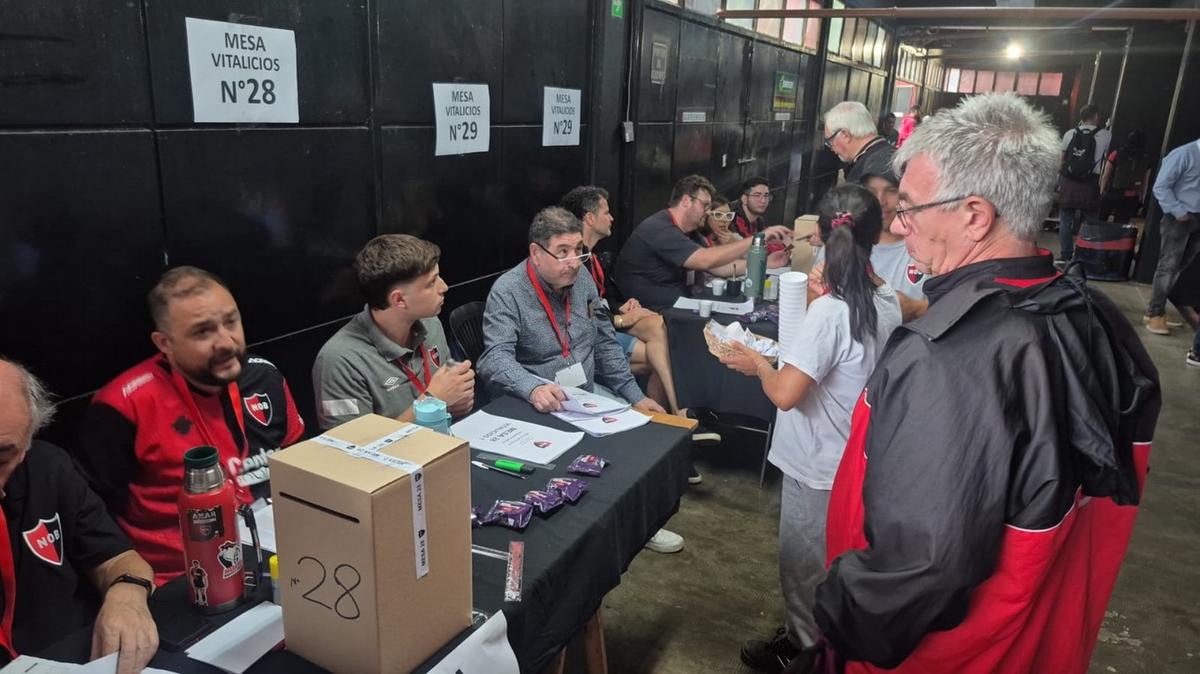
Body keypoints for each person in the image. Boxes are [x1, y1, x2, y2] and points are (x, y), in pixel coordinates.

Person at [808, 92, 1159, 673]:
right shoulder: (1094, 318)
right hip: (1039, 644)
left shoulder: (951, 358)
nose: (898, 224)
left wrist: (836, 624)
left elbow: (922, 567)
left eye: (911, 208)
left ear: (975, 214)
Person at [719, 185, 902, 673]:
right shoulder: (884, 298)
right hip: (855, 458)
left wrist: (757, 364)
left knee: (803, 567)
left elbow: (785, 394)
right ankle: (819, 640)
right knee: (835, 563)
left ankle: (805, 653)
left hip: (816, 464)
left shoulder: (831, 310)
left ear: (819, 235)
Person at [477, 207, 686, 553]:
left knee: (639, 445)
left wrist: (633, 395)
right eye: (562, 252)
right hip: (541, 402)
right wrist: (532, 387)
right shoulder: (509, 291)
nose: (573, 261)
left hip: (587, 394)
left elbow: (604, 342)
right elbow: (495, 357)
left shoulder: (582, 278)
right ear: (535, 253)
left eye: (579, 250)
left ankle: (641, 525)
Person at [81, 267, 304, 583]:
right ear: (164, 343)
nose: (225, 342)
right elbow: (91, 519)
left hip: (278, 552)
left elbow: (299, 462)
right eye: (203, 332)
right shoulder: (122, 405)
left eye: (231, 322)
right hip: (182, 577)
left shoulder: (265, 376)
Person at [0, 359, 158, 673]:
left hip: (77, 657)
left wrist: (127, 593)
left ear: (25, 446)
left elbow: (117, 559)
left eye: (2, 457)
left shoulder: (48, 469)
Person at [312, 234, 475, 430]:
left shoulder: (430, 324)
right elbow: (353, 452)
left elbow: (449, 402)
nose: (444, 287)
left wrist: (455, 401)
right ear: (399, 300)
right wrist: (432, 400)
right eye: (431, 283)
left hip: (444, 448)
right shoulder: (340, 360)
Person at [559, 186, 689, 422]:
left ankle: (668, 412)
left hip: (608, 322)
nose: (612, 218)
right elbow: (578, 315)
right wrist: (620, 319)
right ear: (589, 218)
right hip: (592, 337)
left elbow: (604, 298)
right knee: (662, 356)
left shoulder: (595, 256)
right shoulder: (573, 264)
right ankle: (672, 412)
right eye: (606, 212)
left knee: (660, 325)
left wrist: (623, 306)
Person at [614, 175, 792, 310]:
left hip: (679, 300)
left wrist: (763, 263)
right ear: (685, 201)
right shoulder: (660, 228)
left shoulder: (690, 232)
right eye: (705, 205)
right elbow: (704, 259)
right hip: (647, 307)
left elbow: (718, 267)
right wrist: (755, 240)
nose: (708, 212)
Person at [812, 173, 928, 321]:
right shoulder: (841, 239)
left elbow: (955, 307)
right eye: (871, 192)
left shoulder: (926, 244)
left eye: (892, 190)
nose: (880, 201)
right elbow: (812, 303)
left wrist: (916, 308)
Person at [1145, 137, 1200, 336]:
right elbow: (1160, 186)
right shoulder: (1184, 154)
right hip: (1179, 219)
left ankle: (1157, 309)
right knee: (1168, 267)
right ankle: (1155, 313)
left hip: (1196, 221)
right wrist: (1179, 212)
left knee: (1178, 268)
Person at [1056, 104, 1112, 262]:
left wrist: (1059, 180)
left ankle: (1066, 255)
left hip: (1069, 181)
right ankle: (1089, 254)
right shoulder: (1106, 135)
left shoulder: (1069, 133)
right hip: (1090, 182)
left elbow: (1061, 160)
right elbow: (1108, 156)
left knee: (1066, 218)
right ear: (1095, 116)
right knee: (1092, 220)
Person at [823, 102, 896, 184]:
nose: (831, 148)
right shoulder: (886, 155)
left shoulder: (870, 173)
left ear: (845, 135)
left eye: (830, 141)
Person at [1099, 129, 1150, 223]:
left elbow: (1106, 175)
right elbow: (1145, 182)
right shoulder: (1145, 159)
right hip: (1131, 197)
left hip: (1112, 193)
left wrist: (1101, 191)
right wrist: (1141, 198)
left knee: (1101, 220)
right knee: (1120, 225)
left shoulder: (1116, 154)